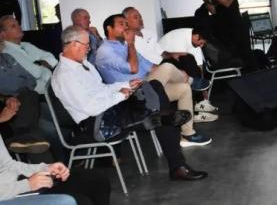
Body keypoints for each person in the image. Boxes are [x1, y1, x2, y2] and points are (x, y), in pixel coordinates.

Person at [52, 25, 207, 182]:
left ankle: (163, 122)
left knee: (154, 88)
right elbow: (90, 108)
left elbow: (102, 89)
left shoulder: (83, 64)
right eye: (87, 45)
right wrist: (120, 96)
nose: (89, 48)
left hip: (111, 110)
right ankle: (175, 159)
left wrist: (126, 85)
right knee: (160, 109)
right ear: (74, 44)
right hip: (99, 123)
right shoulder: (65, 75)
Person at [95, 15, 212, 146]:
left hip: (146, 86)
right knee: (167, 67)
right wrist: (131, 44)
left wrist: (178, 73)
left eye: (126, 24)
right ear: (109, 28)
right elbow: (133, 69)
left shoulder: (125, 46)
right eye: (121, 24)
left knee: (183, 88)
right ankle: (191, 81)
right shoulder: (105, 51)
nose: (126, 27)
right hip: (131, 96)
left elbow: (151, 67)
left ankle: (188, 134)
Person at [0, 132, 111, 204]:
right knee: (76, 201)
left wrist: (45, 168)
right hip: (6, 195)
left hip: (15, 184)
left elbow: (9, 164)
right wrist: (27, 185)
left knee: (96, 179)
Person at [198, 0, 251, 65]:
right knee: (229, 56)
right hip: (220, 27)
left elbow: (227, 3)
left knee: (243, 54)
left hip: (235, 24)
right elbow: (213, 11)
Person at [0, 16, 58, 95]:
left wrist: (38, 64)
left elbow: (52, 58)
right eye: (13, 26)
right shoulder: (7, 53)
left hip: (53, 84)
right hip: (38, 94)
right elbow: (35, 73)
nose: (19, 27)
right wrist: (42, 63)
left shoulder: (26, 45)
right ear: (2, 35)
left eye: (18, 24)